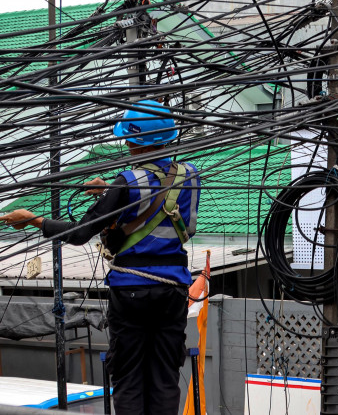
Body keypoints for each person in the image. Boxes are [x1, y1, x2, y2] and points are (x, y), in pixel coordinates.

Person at [0, 100, 201, 415]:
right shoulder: (190, 175)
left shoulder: (128, 181)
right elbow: (164, 209)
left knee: (129, 375)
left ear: (133, 141)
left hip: (131, 290)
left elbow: (81, 233)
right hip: (173, 289)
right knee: (165, 375)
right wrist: (111, 192)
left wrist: (35, 220)